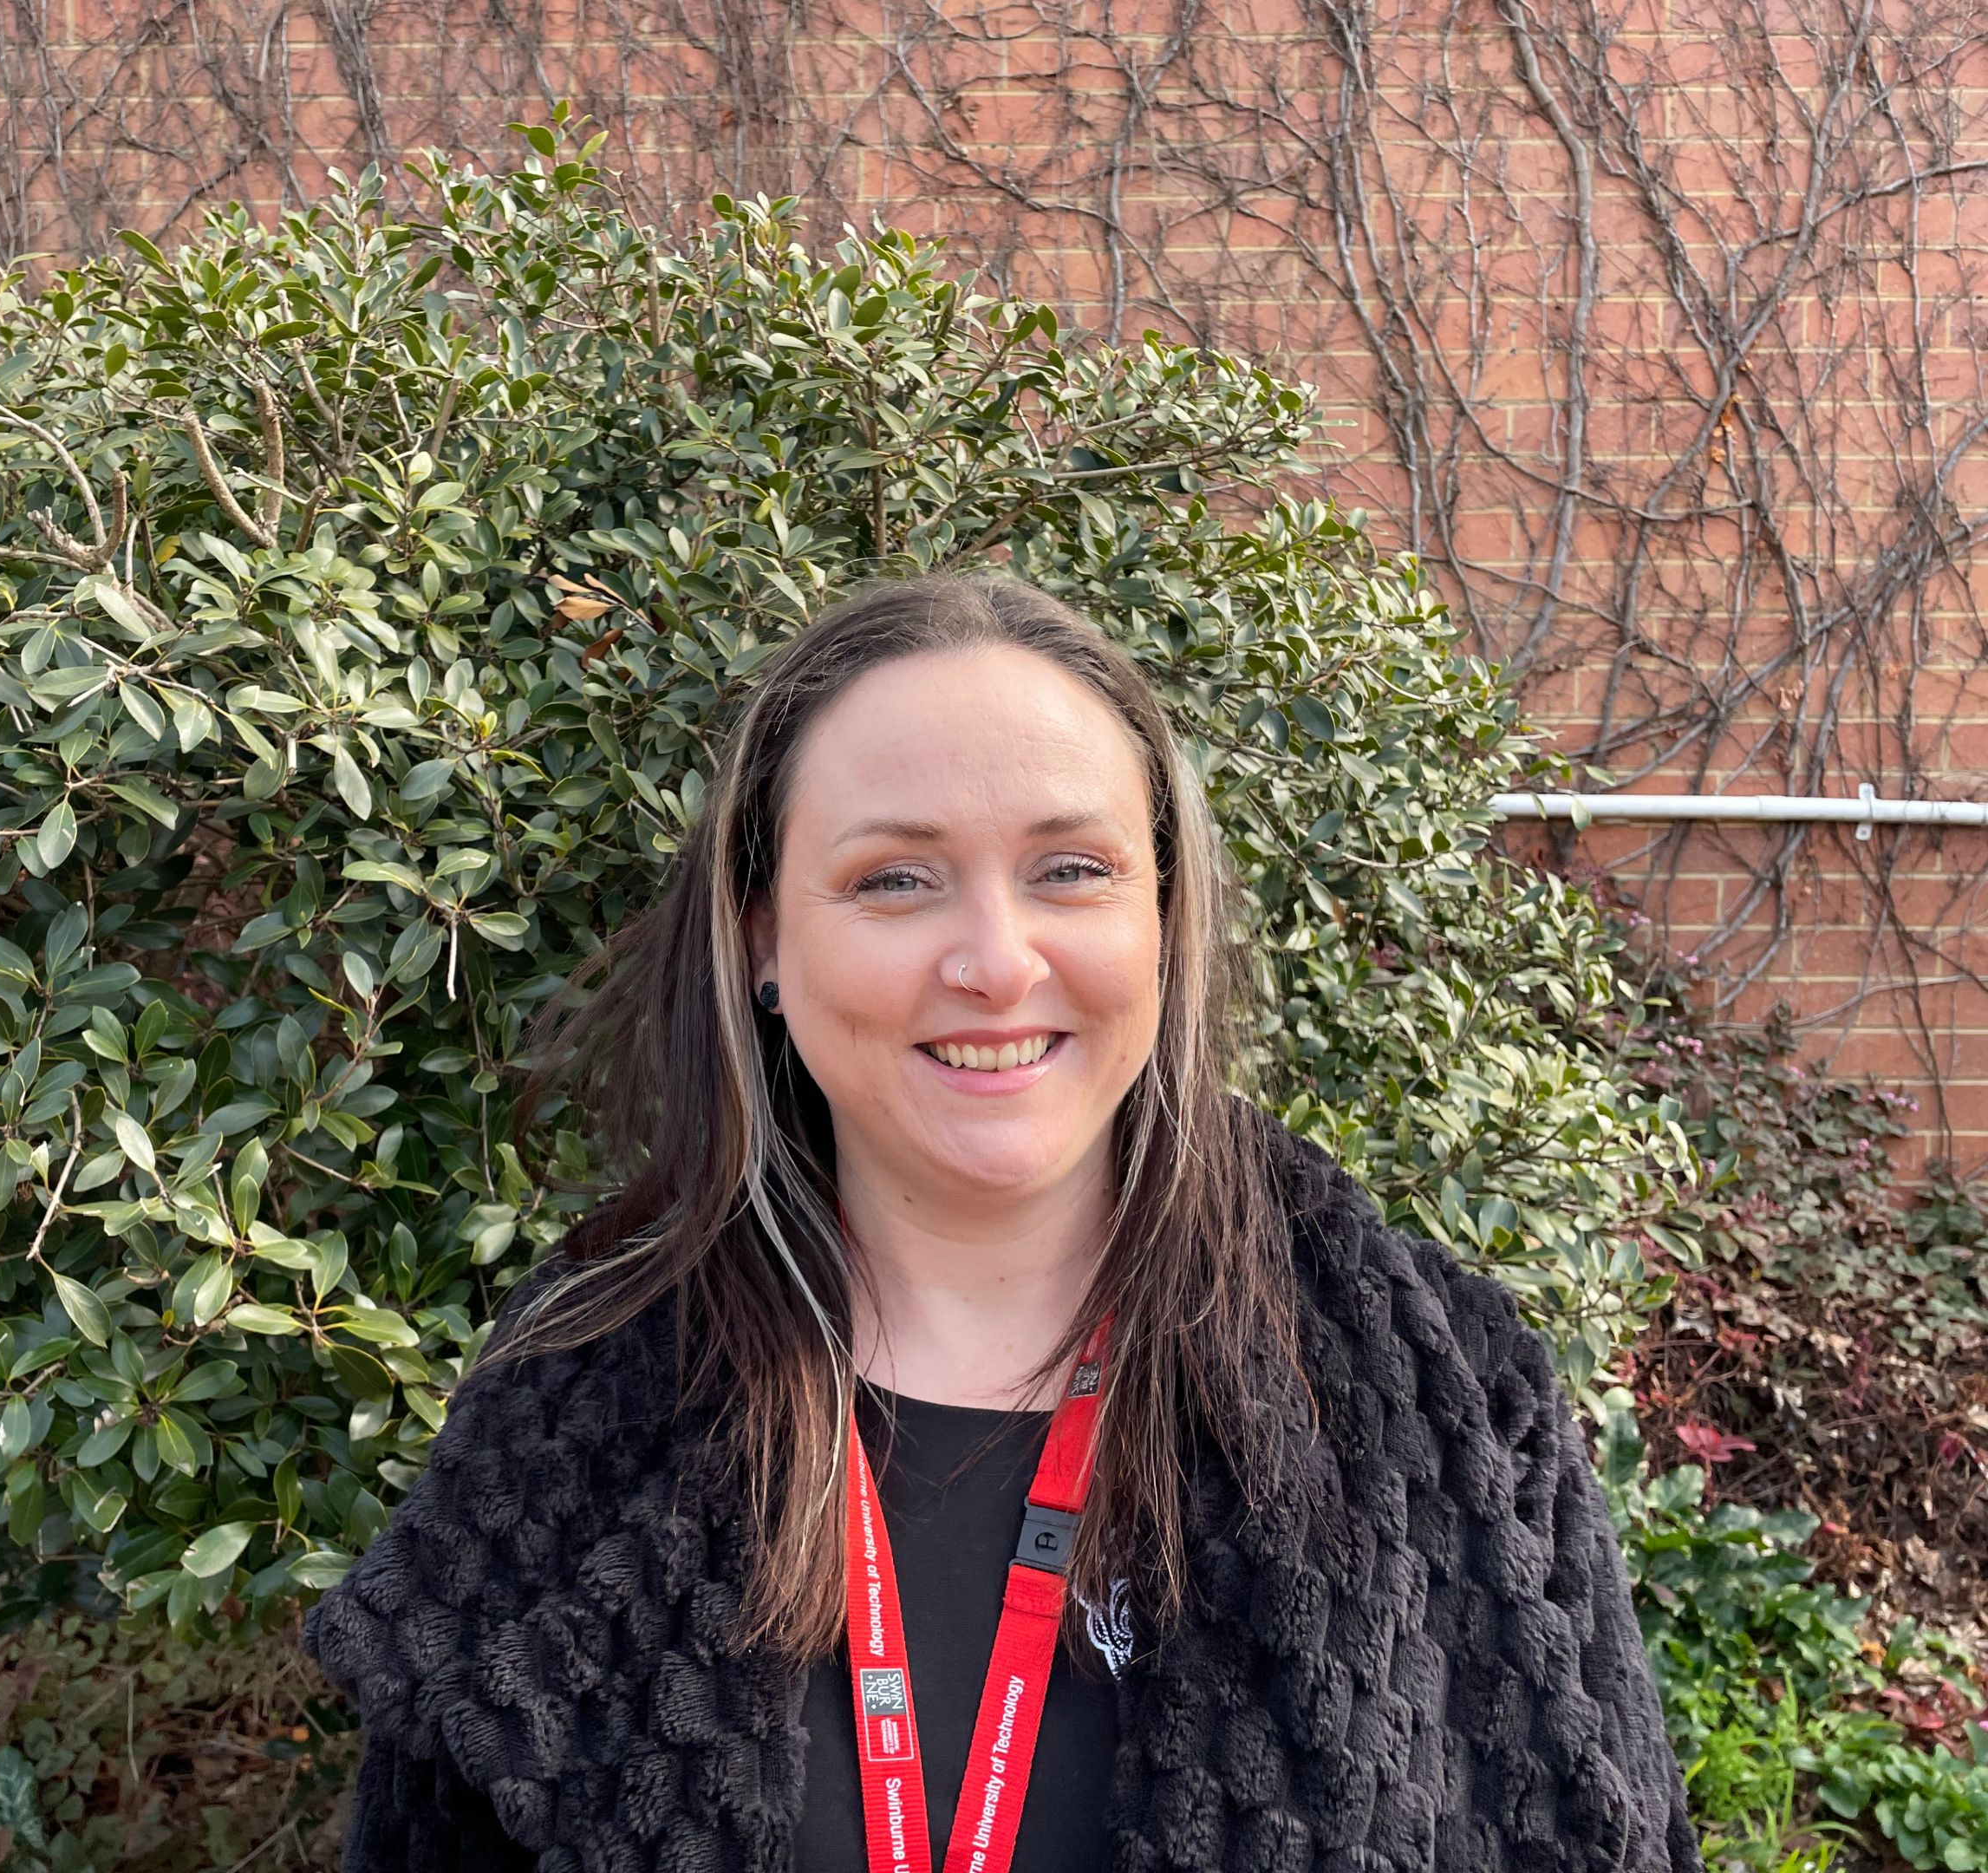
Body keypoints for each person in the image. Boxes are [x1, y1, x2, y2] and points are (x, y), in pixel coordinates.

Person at [303, 573, 1699, 1873]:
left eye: (1071, 869)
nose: (994, 960)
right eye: (895, 879)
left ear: (1166, 918)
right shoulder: (575, 1403)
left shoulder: (1435, 1390)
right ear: (763, 941)